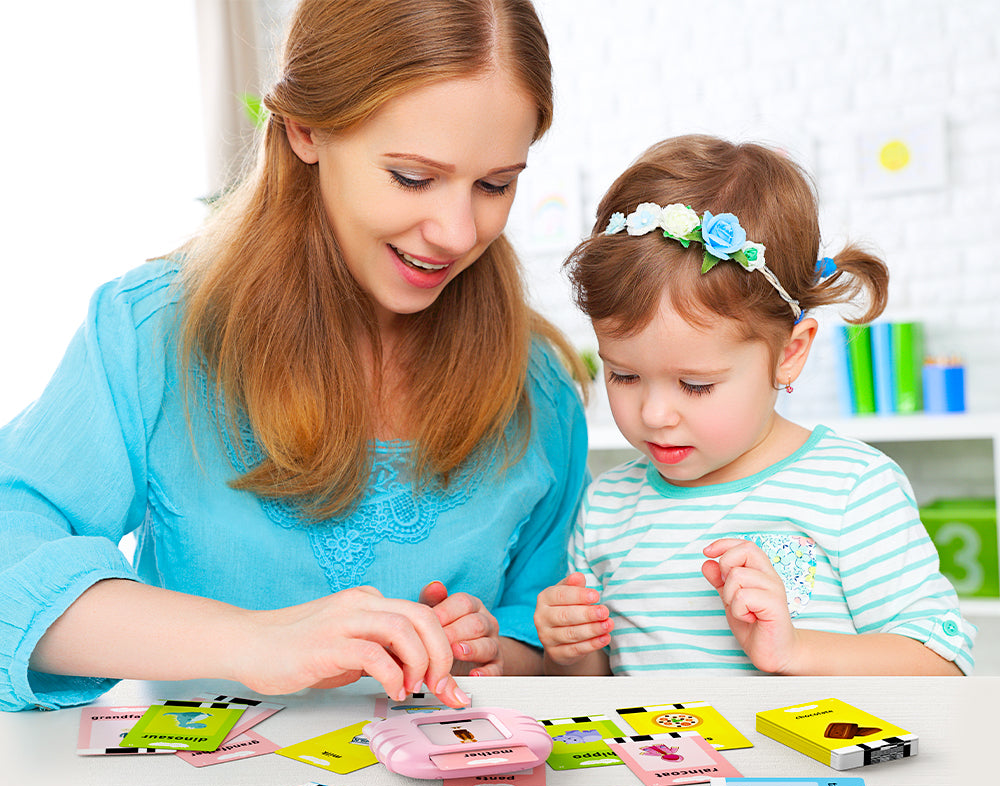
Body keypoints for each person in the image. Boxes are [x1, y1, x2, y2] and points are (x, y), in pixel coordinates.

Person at [0, 0, 589, 712]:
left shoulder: (539, 387)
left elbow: (547, 639)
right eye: (412, 177)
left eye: (496, 184)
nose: (457, 231)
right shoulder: (149, 333)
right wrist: (257, 642)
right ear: (306, 129)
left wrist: (497, 653)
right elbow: (12, 562)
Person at [535, 134, 975, 677]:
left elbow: (943, 666)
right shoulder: (606, 507)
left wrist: (796, 651)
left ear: (789, 354)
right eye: (623, 375)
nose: (654, 414)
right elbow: (594, 698)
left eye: (695, 385)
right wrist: (572, 652)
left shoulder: (851, 489)